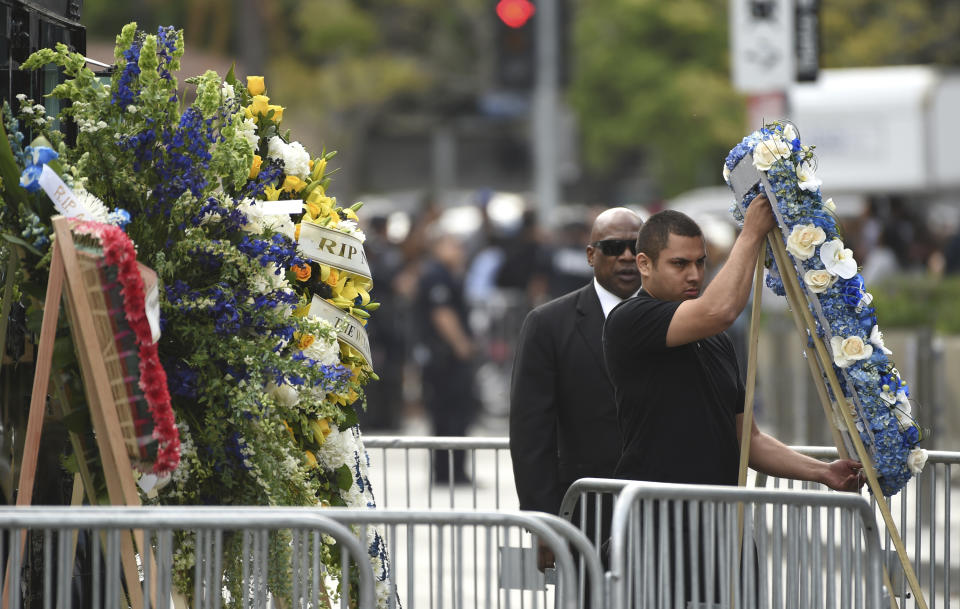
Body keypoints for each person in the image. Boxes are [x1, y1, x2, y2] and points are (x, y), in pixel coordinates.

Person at [602, 200, 863, 601]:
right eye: (679, 264)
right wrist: (751, 233)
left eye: (700, 263)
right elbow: (721, 309)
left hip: (724, 527)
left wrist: (823, 472)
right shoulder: (629, 320)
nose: (694, 274)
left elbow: (750, 440)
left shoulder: (717, 342)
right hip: (656, 528)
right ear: (644, 264)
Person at [510, 207, 643, 569]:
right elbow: (530, 430)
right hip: (584, 513)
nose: (627, 256)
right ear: (591, 255)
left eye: (636, 246)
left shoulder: (673, 317)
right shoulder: (548, 324)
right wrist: (544, 524)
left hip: (657, 510)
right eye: (614, 247)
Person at [417, 229, 478, 484]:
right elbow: (442, 315)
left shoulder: (449, 275)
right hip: (444, 360)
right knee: (447, 417)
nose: (459, 251)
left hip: (448, 360)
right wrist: (462, 344)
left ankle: (455, 471)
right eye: (453, 245)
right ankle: (447, 473)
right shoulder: (436, 275)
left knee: (457, 416)